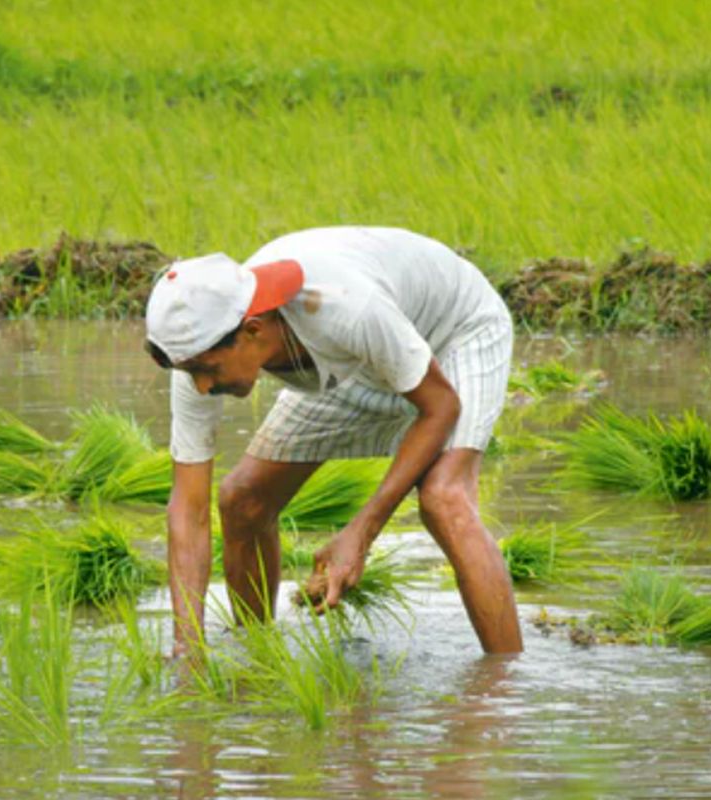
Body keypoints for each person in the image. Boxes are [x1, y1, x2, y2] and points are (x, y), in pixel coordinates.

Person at [144, 226, 522, 659]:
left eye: (209, 370)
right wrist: (187, 650)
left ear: (252, 330)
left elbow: (440, 407)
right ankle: (260, 660)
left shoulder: (345, 307)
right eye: (191, 373)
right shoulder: (197, 350)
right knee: (242, 500)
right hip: (357, 362)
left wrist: (359, 535)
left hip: (453, 334)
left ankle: (504, 689)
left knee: (444, 498)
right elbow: (189, 508)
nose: (204, 387)